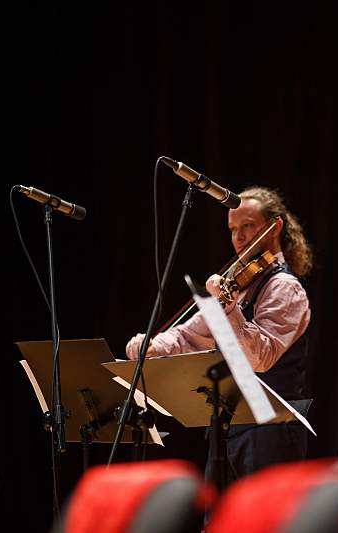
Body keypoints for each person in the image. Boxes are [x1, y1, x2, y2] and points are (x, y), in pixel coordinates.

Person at [126, 186, 313, 479]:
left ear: (274, 227)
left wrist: (226, 306)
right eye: (233, 229)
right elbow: (190, 336)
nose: (238, 238)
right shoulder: (238, 287)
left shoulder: (285, 288)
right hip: (231, 427)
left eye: (248, 227)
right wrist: (151, 345)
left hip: (272, 434)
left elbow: (261, 357)